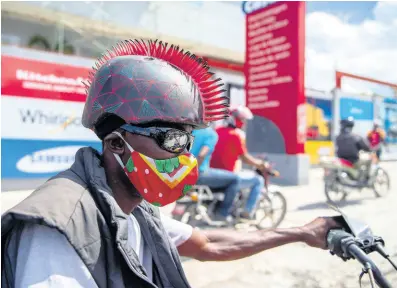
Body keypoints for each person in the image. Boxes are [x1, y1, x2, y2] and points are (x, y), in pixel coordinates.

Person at [2, 39, 339, 288]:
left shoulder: (136, 207)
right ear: (117, 143)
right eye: (173, 140)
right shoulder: (57, 232)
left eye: (188, 141)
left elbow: (208, 245)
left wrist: (302, 232)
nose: (185, 158)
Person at [210, 105, 269, 219]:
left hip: (214, 174)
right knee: (258, 180)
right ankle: (247, 212)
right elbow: (245, 157)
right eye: (242, 119)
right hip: (228, 176)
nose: (244, 123)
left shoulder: (217, 131)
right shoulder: (236, 135)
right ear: (234, 119)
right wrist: (260, 164)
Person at [190, 125, 240, 222]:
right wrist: (192, 175)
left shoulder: (192, 130)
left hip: (183, 171)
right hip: (199, 173)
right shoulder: (211, 134)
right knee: (235, 179)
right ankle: (222, 214)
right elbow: (201, 155)